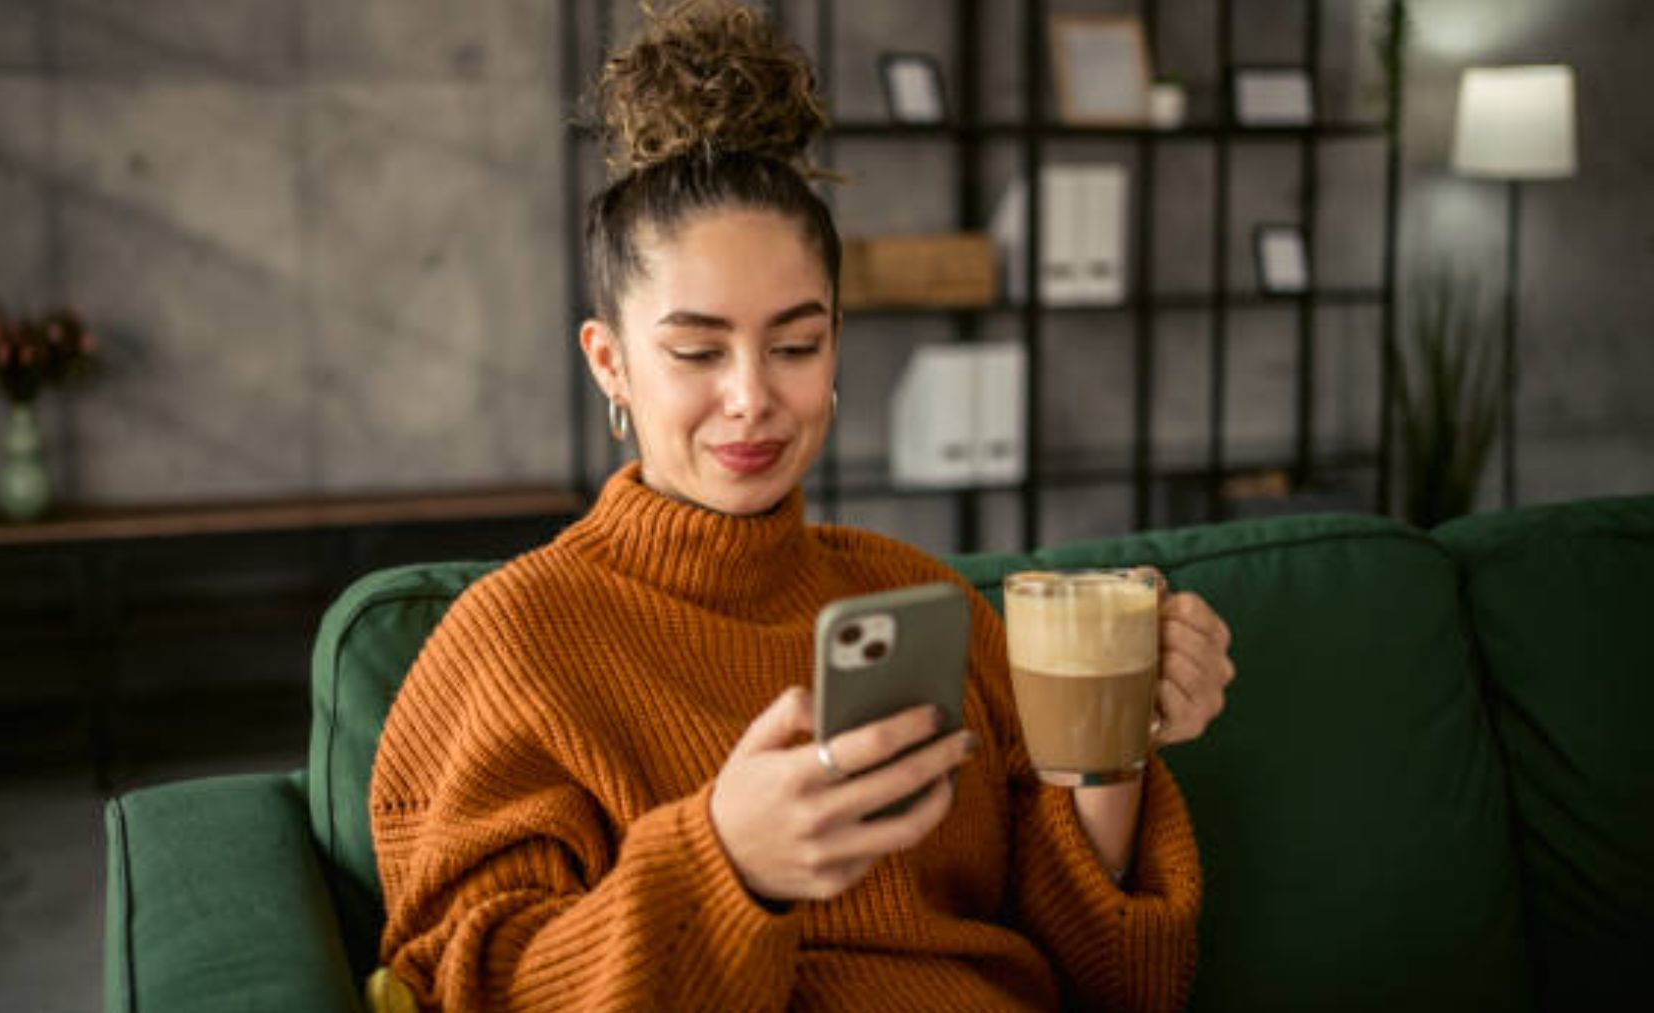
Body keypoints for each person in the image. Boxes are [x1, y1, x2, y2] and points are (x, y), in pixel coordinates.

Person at [368, 2, 1235, 1009]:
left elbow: (1120, 981)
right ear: (611, 363)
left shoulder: (924, 598)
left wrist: (1112, 738)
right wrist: (729, 861)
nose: (753, 396)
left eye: (795, 344)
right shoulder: (511, 645)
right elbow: (472, 986)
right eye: (697, 351)